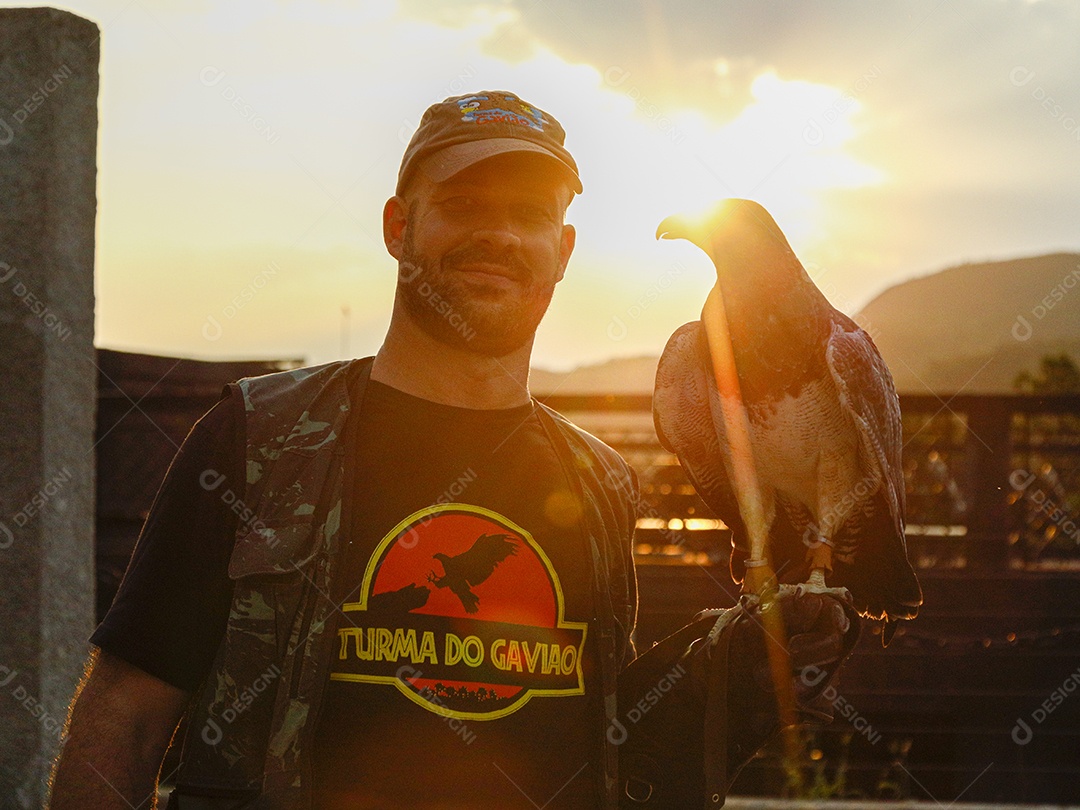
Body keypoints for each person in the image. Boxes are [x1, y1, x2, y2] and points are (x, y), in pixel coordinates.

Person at [49, 90, 855, 810]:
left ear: (564, 250)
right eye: (465, 205)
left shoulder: (600, 482)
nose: (499, 235)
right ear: (401, 227)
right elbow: (123, 718)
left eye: (531, 215)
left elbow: (597, 737)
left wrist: (726, 668)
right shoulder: (259, 437)